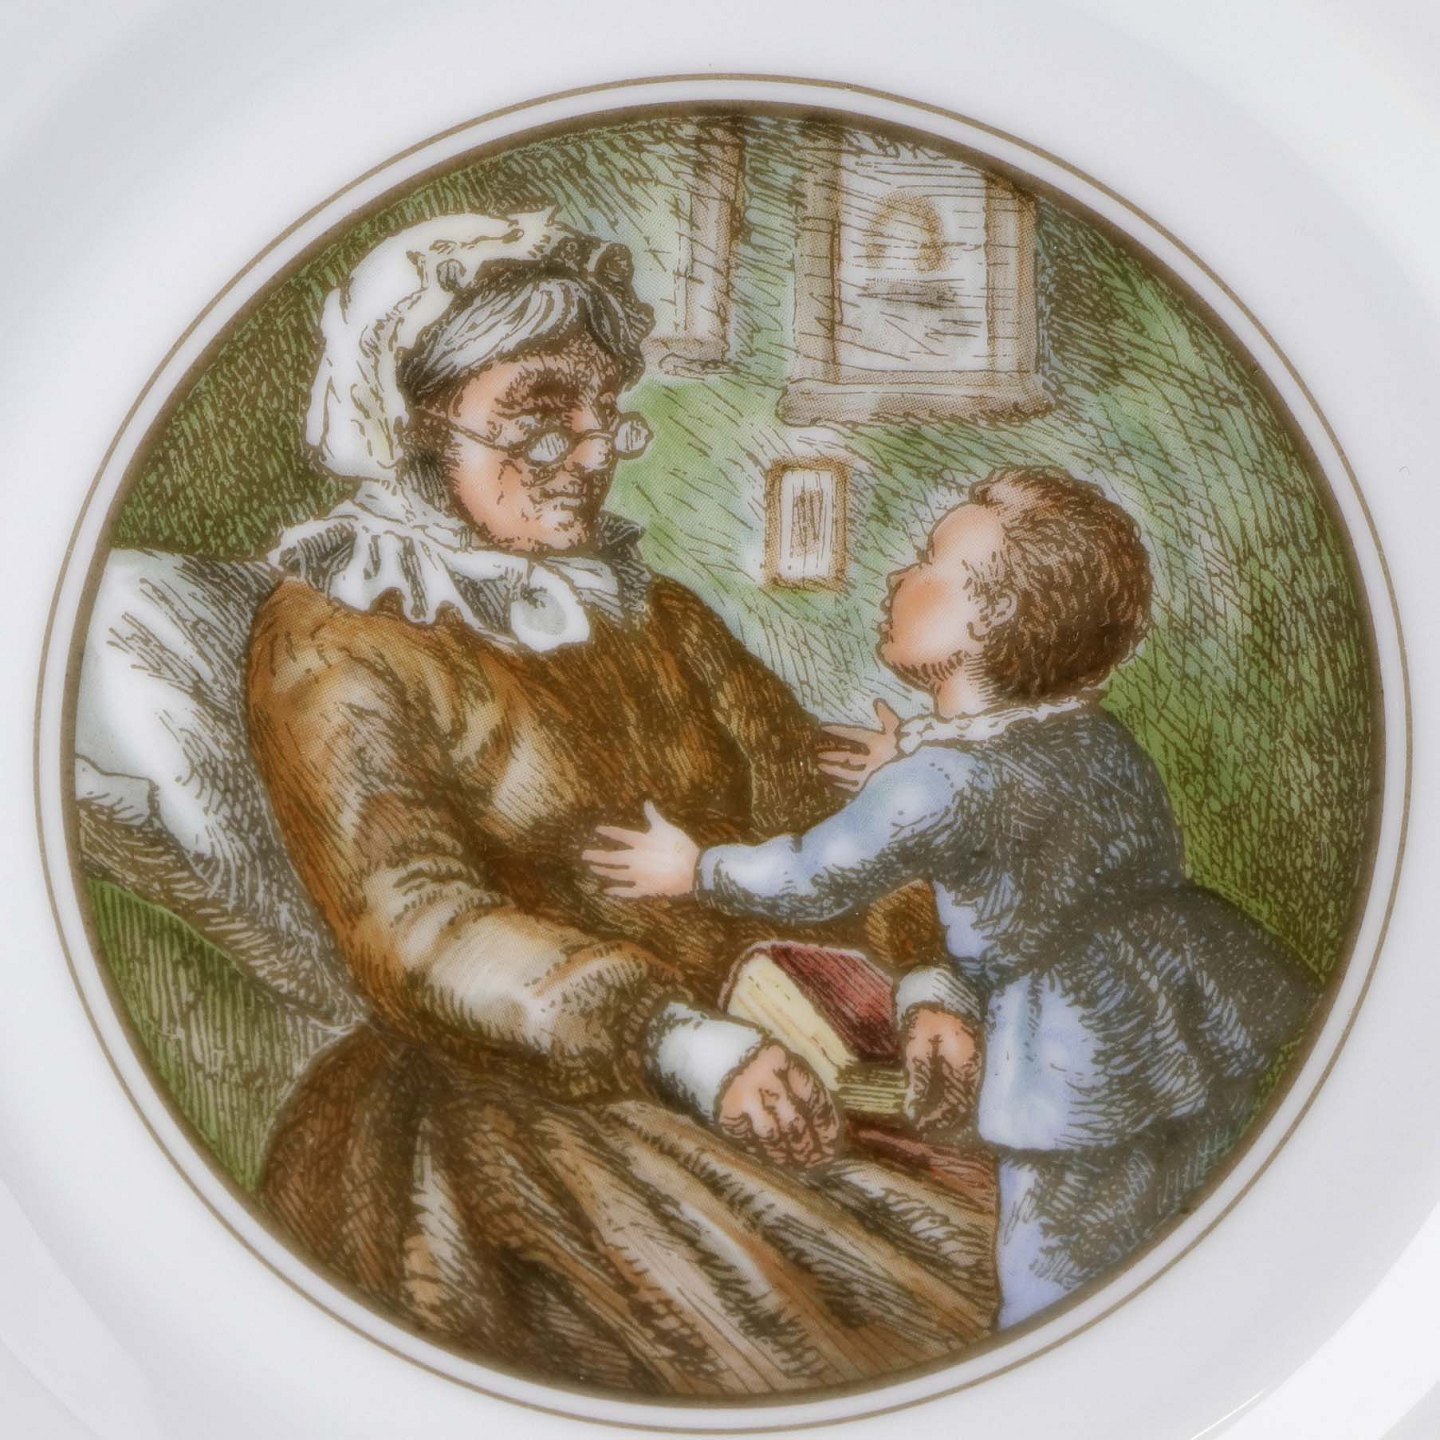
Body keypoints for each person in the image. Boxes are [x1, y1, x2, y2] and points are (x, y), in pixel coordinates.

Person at [244, 210, 997, 1397]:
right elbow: (419, 924)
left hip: (776, 1035)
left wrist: (923, 974)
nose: (592, 454)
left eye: (606, 415)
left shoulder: (659, 613)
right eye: (542, 417)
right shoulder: (335, 636)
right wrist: (676, 1041)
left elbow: (824, 813)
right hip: (527, 1098)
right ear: (419, 425)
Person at [584, 468, 1320, 1329]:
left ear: (991, 619)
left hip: (1074, 1055)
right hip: (1195, 1006)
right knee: (1191, 1231)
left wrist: (696, 867)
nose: (901, 575)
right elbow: (1018, 795)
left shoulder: (936, 784)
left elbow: (813, 875)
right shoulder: (1093, 736)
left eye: (930, 560)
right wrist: (905, 763)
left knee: (1053, 1269)